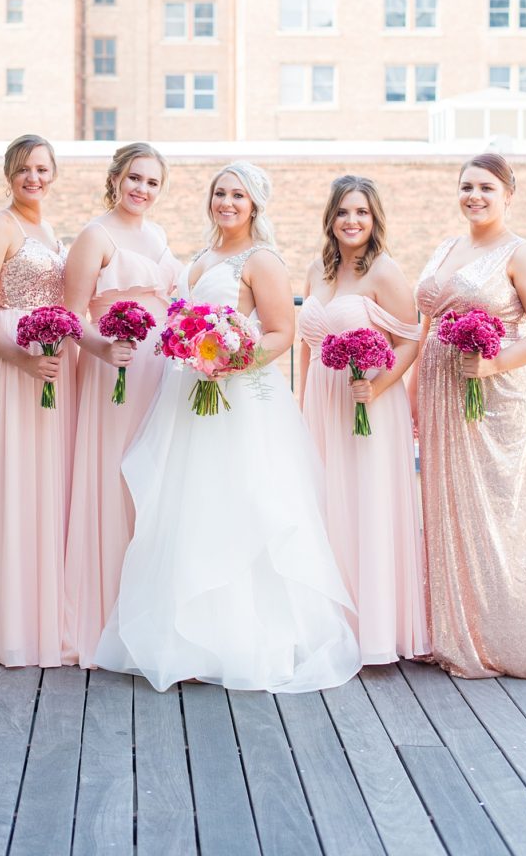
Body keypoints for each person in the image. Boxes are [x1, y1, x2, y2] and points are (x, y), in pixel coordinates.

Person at [95, 162, 361, 693]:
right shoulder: (200, 258)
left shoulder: (261, 260)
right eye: (220, 193)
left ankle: (243, 640)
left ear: (255, 205)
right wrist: (187, 350)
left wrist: (231, 362)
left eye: (238, 195)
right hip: (187, 395)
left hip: (238, 400)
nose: (227, 203)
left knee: (239, 506)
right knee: (189, 506)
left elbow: (282, 332)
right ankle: (186, 640)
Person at [413, 152, 526, 679]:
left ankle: (510, 640)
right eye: (466, 186)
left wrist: (493, 363)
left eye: (485, 186)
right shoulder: (446, 247)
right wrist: (413, 392)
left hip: (494, 396)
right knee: (447, 506)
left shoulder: (522, 254)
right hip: (440, 391)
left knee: (499, 514)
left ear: (509, 193)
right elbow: (425, 325)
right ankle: (452, 630)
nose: (474, 196)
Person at [0, 135, 74, 668]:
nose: (34, 178)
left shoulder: (47, 229)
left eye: (43, 169)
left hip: (47, 364)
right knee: (9, 485)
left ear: (54, 174)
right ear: (8, 173)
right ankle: (6, 624)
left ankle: (40, 613)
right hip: (8, 366)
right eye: (24, 169)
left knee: (41, 488)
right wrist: (23, 360)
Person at [299, 175, 429, 665]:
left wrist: (374, 387)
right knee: (326, 506)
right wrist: (299, 405)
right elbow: (308, 347)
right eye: (343, 212)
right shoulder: (316, 270)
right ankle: (331, 624)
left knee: (367, 505)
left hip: (369, 403)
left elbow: (410, 340)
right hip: (321, 404)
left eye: (362, 213)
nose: (352, 221)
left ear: (374, 220)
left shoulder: (384, 272)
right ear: (330, 218)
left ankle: (373, 632)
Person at [62, 143, 180, 667]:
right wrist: (105, 348)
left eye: (152, 183)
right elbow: (70, 316)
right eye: (134, 178)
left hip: (160, 371)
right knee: (114, 479)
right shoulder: (95, 236)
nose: (142, 190)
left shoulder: (156, 235)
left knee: (152, 480)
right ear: (115, 179)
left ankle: (146, 612)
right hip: (116, 372)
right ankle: (101, 613)